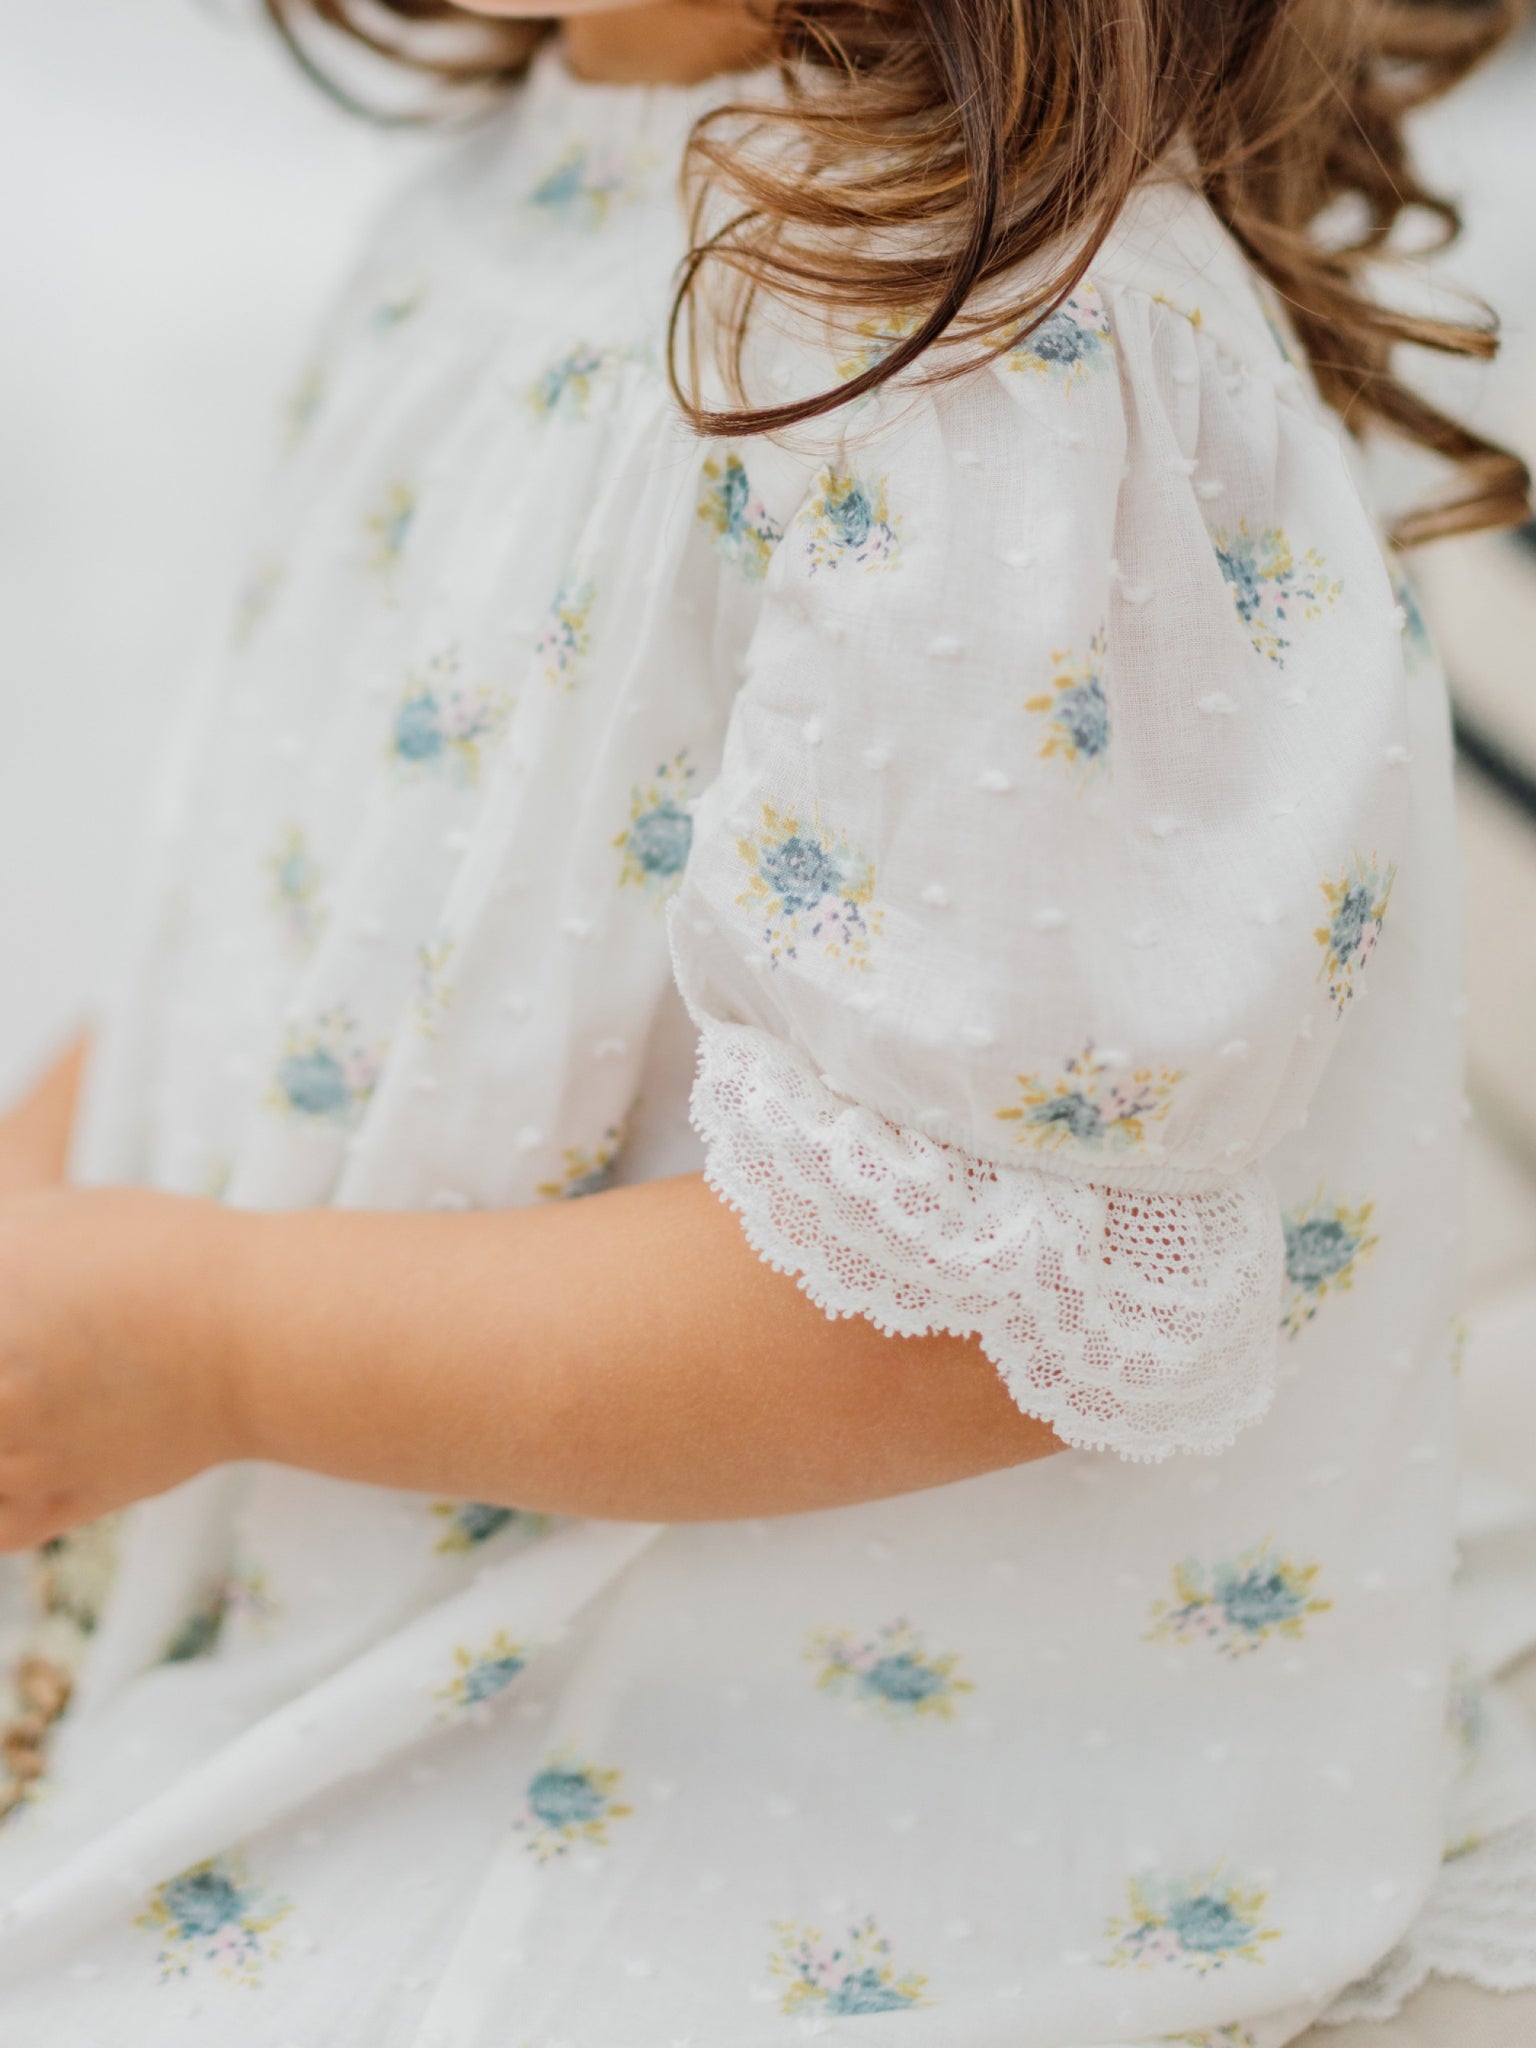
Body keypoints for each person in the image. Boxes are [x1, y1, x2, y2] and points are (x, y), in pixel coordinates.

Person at [0, 0, 1533, 2040]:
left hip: (779, 1727)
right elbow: (358, 912)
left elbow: (940, 1315)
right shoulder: (517, 187)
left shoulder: (1007, 362)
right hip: (316, 1498)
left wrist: (203, 1337)